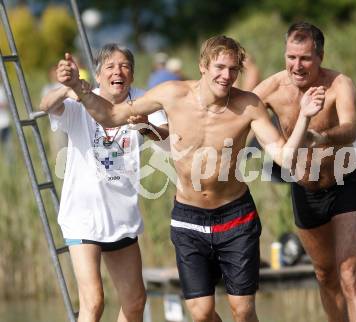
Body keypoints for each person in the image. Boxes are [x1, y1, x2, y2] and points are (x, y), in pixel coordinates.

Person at [57, 35, 325, 322]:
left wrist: (305, 118)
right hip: (188, 218)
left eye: (233, 70)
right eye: (220, 67)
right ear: (203, 66)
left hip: (235, 216)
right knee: (200, 314)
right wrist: (78, 88)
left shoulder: (249, 105)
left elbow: (283, 156)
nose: (226, 76)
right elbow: (110, 116)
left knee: (243, 311)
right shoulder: (172, 94)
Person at [253, 22, 356, 322]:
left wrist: (322, 138)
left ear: (319, 56)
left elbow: (350, 129)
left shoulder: (339, 84)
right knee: (325, 274)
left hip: (344, 182)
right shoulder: (272, 89)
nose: (297, 65)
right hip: (304, 188)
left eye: (305, 58)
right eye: (291, 57)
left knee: (350, 273)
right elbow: (236, 110)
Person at [39, 43, 168, 322]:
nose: (117, 72)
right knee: (94, 301)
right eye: (110, 66)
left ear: (132, 75)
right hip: (83, 215)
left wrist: (147, 126)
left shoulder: (143, 100)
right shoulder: (83, 99)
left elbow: (168, 140)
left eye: (124, 66)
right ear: (98, 76)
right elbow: (46, 105)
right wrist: (69, 85)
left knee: (135, 302)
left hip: (122, 215)